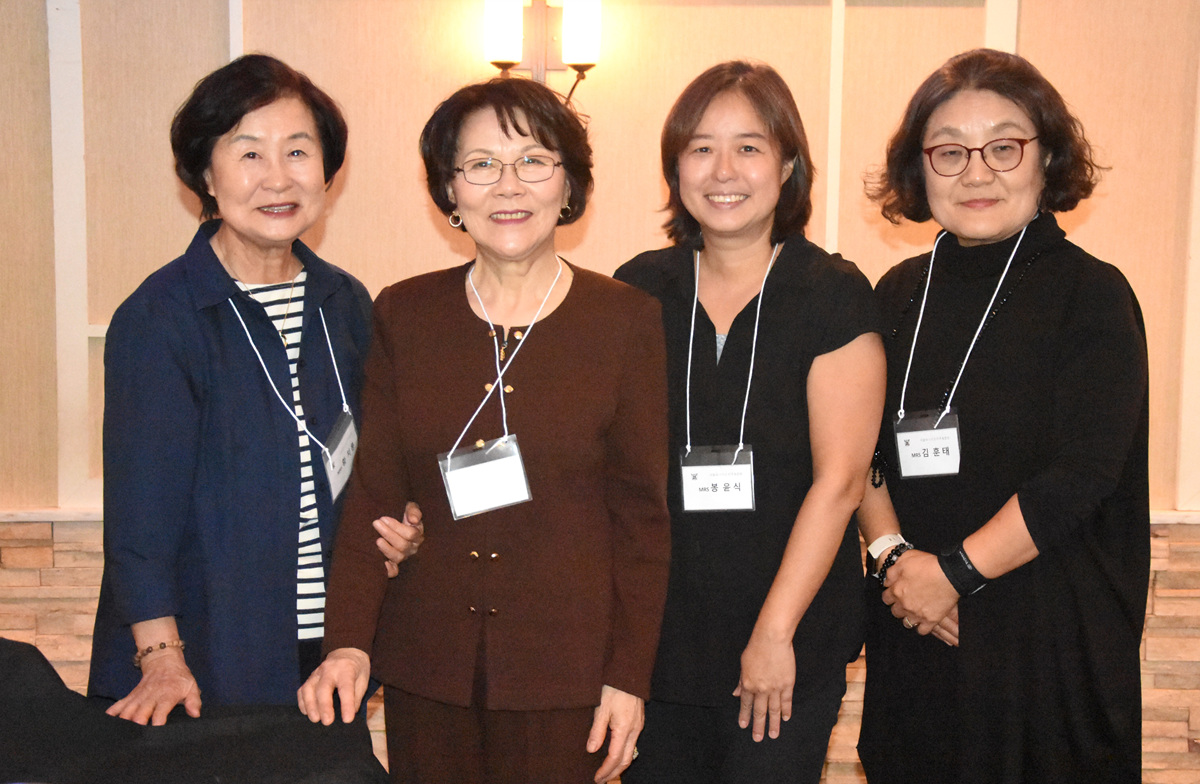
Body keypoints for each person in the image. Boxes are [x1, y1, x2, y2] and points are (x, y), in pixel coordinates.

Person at [297, 77, 672, 784]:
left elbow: (641, 521)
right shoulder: (405, 314)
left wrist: (628, 677)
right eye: (480, 165)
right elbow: (375, 491)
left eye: (533, 160)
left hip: (565, 673)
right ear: (450, 190)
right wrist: (347, 641)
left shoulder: (624, 320)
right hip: (427, 663)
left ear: (568, 184)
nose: (508, 185)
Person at [88, 54, 413, 726]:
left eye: (297, 151)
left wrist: (402, 525)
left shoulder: (346, 303)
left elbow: (372, 460)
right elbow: (140, 521)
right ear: (206, 175)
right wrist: (161, 656)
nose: (278, 178)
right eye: (249, 154)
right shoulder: (162, 317)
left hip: (330, 659)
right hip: (204, 664)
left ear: (327, 170)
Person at [857, 48, 1149, 783]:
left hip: (1046, 649)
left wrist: (953, 574)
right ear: (920, 168)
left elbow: (1082, 475)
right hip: (917, 627)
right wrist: (895, 561)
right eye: (950, 151)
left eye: (1003, 147)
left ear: (1046, 158)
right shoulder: (894, 295)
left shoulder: (1092, 295)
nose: (976, 172)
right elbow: (855, 448)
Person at [614, 61, 885, 784]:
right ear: (675, 168)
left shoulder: (831, 294)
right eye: (701, 148)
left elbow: (841, 482)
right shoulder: (638, 289)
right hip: (659, 644)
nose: (723, 170)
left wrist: (773, 634)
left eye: (749, 147)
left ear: (788, 165)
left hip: (787, 646)